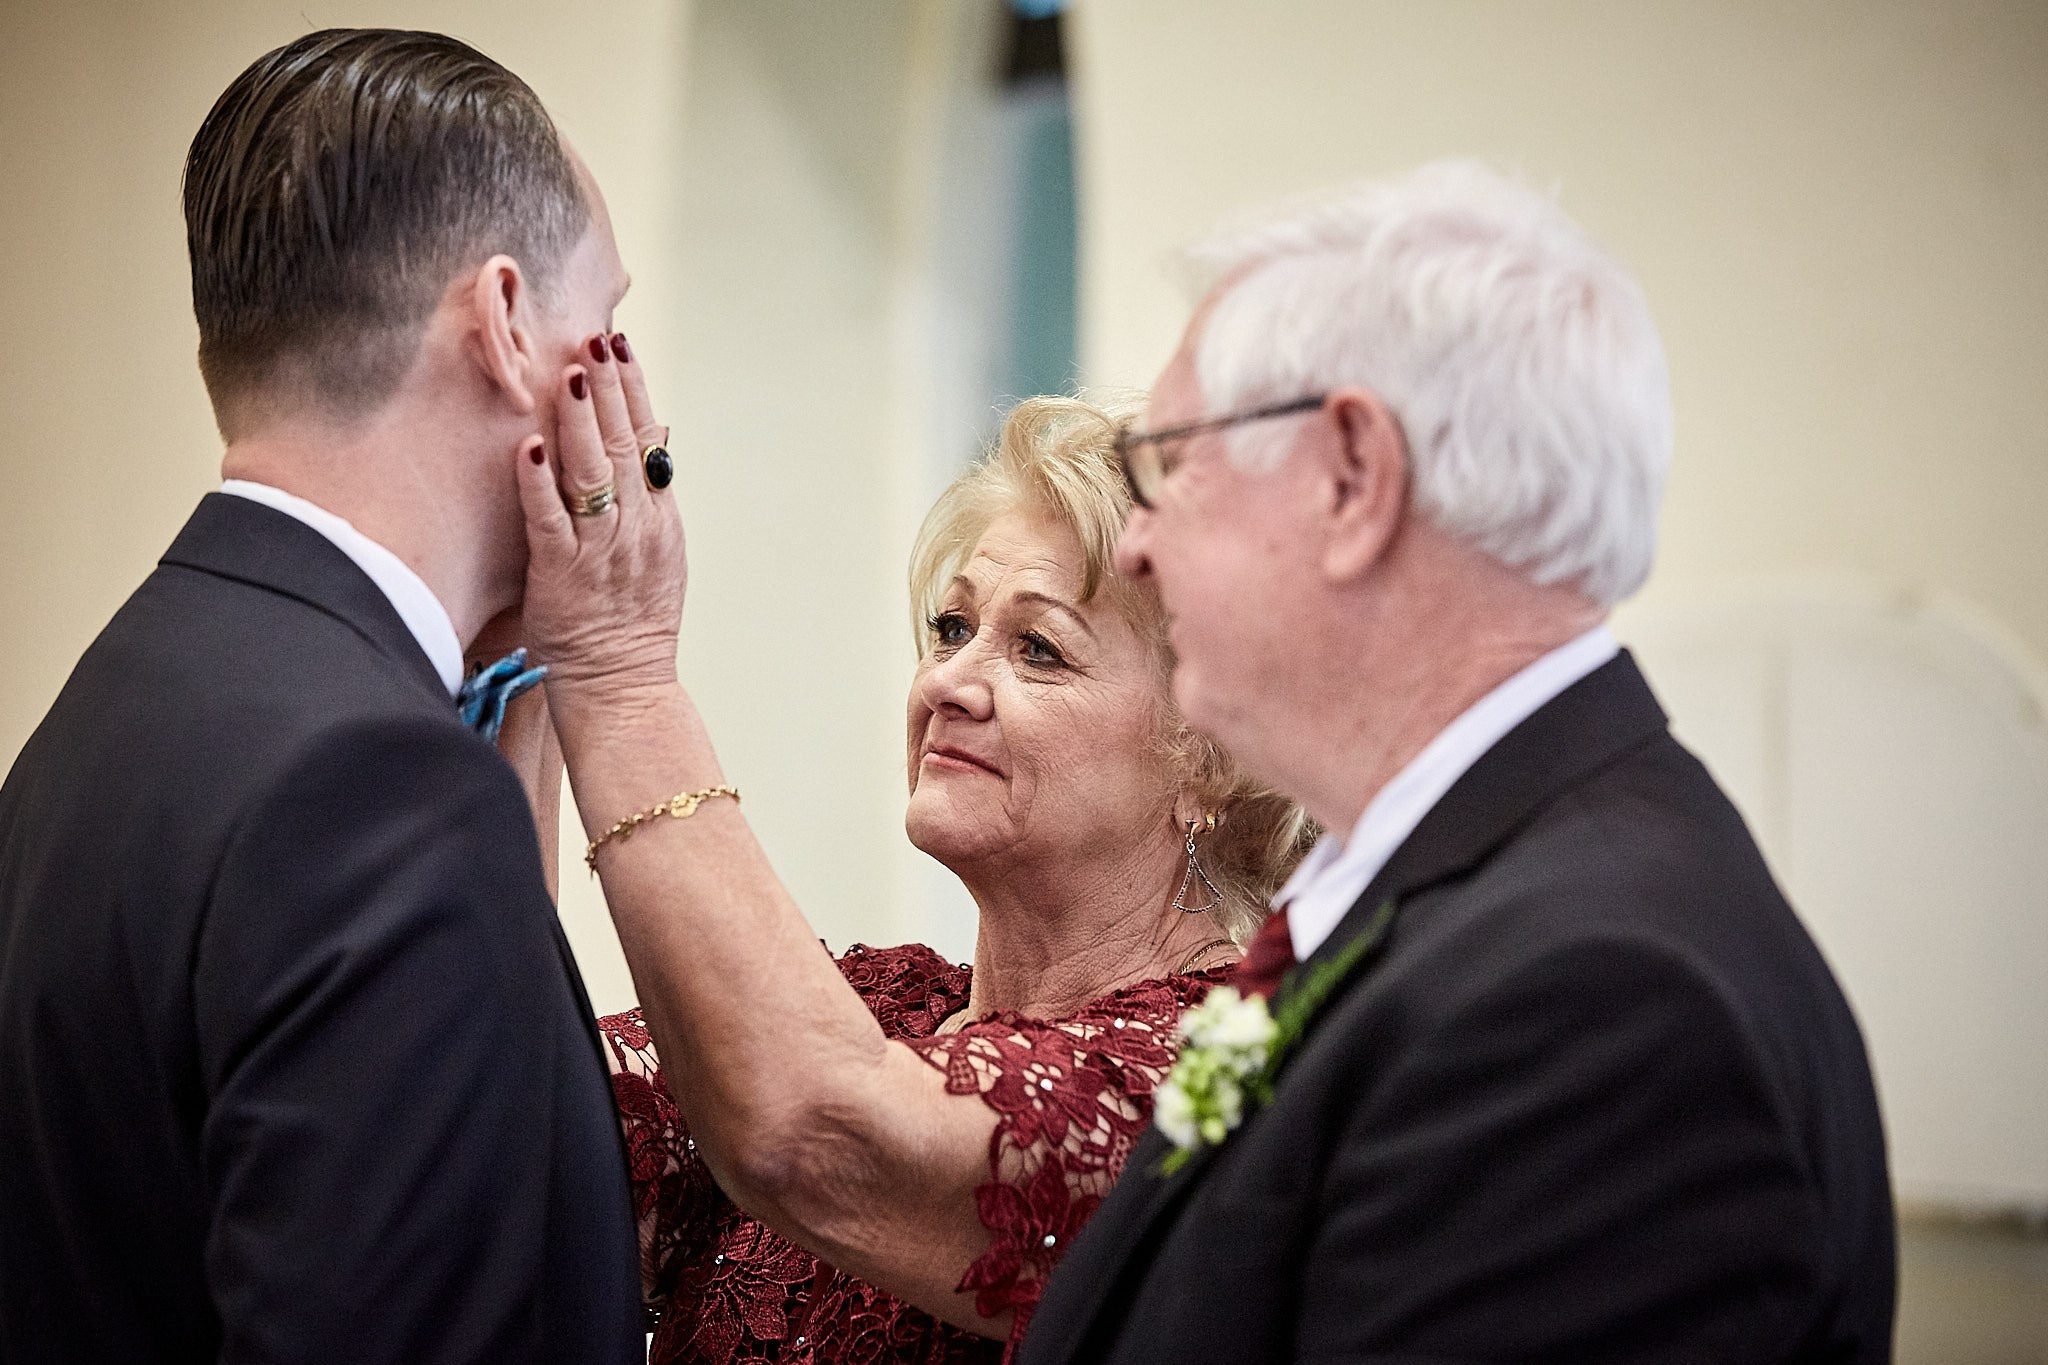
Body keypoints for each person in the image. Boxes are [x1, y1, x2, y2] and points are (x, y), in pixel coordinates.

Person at [1016, 161, 1897, 1363]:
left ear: (1351, 478)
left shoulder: (1593, 1002)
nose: (1137, 552)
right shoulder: (1486, 891)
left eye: (1167, 468)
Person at [0, 31, 641, 1362]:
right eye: (609, 323)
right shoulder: (382, 789)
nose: (633, 388)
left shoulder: (112, 706)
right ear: (510, 322)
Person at [501, 381, 1309, 1361]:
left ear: (1209, 757)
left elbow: (813, 1132)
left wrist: (620, 679)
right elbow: (513, 1140)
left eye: (1038, 650)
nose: (947, 684)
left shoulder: (1209, 1081)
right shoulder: (873, 1008)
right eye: (952, 628)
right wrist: (524, 655)